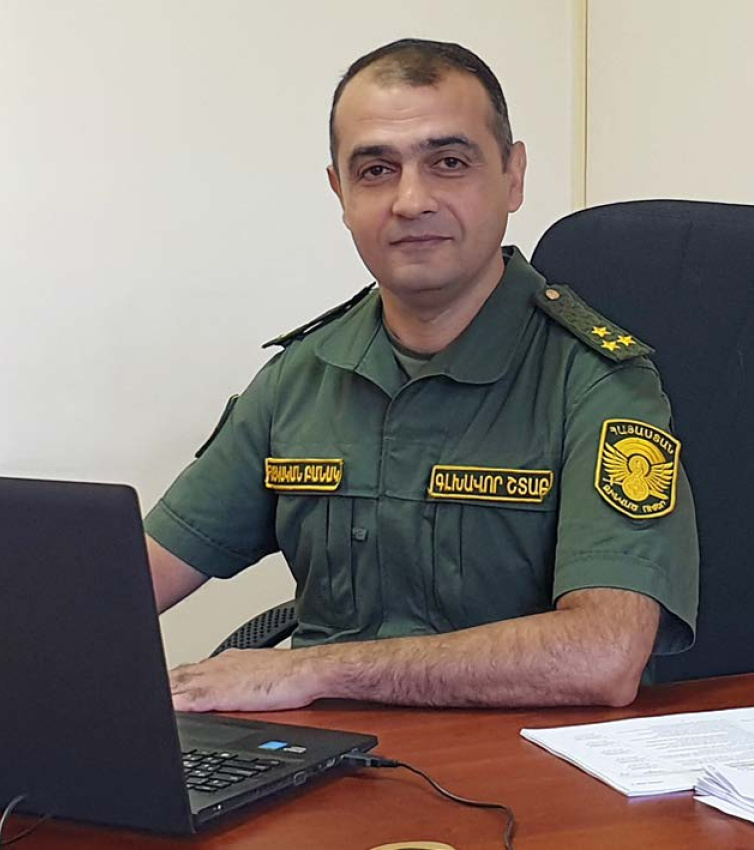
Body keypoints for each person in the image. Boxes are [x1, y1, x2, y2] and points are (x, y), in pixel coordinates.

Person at [145, 38, 699, 713]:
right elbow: (138, 576)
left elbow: (603, 654)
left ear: (513, 176)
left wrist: (316, 670)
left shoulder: (595, 383)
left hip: (520, 765)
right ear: (341, 193)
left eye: (449, 163)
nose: (411, 201)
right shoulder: (302, 376)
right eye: (377, 170)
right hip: (325, 760)